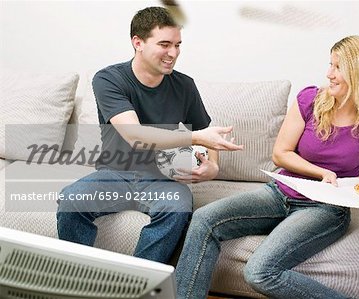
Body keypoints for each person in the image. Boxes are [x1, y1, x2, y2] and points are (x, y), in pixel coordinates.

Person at [175, 35, 359, 299]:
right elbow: (281, 154)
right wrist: (320, 172)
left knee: (260, 273)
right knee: (204, 220)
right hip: (280, 193)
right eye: (330, 64)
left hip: (325, 208)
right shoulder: (310, 100)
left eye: (338, 67)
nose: (329, 73)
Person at [56, 6, 242, 264]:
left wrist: (213, 167)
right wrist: (196, 138)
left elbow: (206, 131)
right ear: (138, 42)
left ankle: (138, 282)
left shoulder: (184, 85)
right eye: (165, 44)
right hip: (115, 173)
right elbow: (136, 135)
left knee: (178, 208)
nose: (173, 53)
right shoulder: (109, 79)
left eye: (178, 45)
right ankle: (77, 278)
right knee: (72, 199)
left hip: (163, 177)